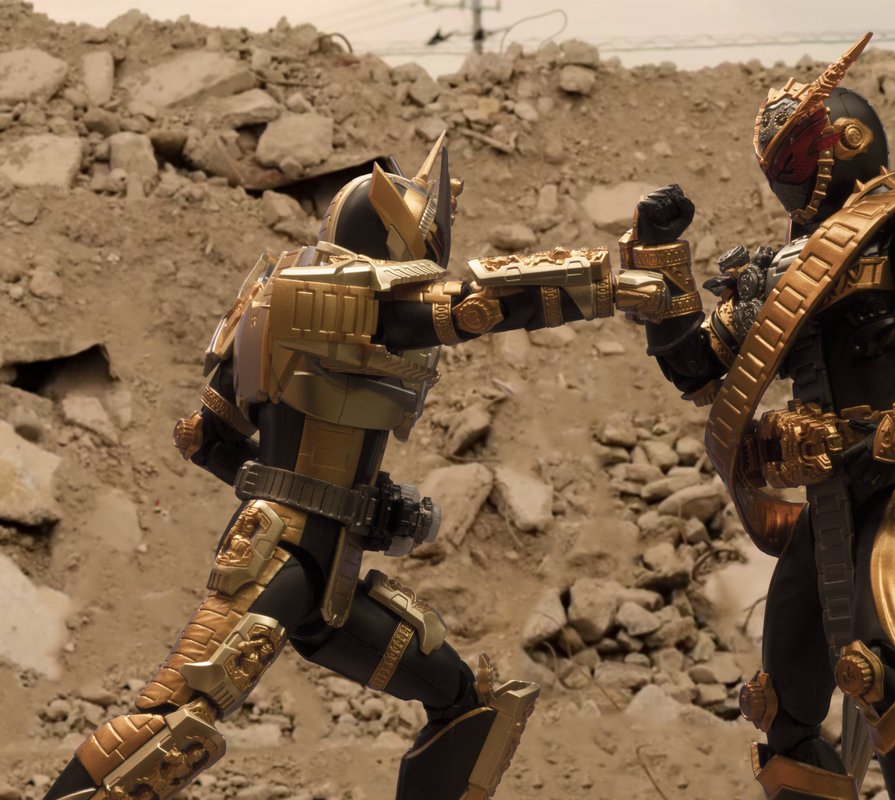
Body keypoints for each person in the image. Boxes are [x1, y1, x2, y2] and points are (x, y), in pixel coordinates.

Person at [43, 133, 624, 800]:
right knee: (174, 723)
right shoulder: (332, 297)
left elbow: (205, 437)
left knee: (465, 701)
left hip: (329, 575)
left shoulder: (278, 307)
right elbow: (476, 304)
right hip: (278, 556)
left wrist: (358, 502)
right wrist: (616, 285)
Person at [614, 32, 895, 800]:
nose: (786, 179)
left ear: (844, 143)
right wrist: (659, 254)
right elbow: (694, 365)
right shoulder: (775, 274)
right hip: (824, 500)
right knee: (781, 713)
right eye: (779, 164)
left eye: (794, 158)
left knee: (878, 674)